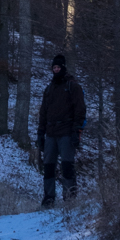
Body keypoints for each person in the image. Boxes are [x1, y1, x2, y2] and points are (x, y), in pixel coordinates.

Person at [36, 53, 86, 208]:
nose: (56, 70)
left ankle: (70, 199)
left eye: (58, 67)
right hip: (50, 133)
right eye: (54, 67)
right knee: (48, 167)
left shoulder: (73, 86)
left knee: (67, 166)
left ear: (63, 68)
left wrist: (76, 131)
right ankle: (48, 199)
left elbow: (80, 110)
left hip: (66, 131)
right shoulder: (49, 89)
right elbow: (43, 112)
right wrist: (40, 133)